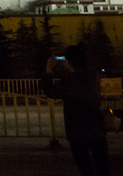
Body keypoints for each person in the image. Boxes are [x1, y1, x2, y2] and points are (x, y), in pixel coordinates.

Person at [42, 44, 109, 176]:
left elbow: (52, 92)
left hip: (77, 131)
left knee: (85, 168)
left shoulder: (69, 81)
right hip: (96, 129)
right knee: (103, 168)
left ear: (70, 60)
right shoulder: (93, 76)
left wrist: (48, 71)